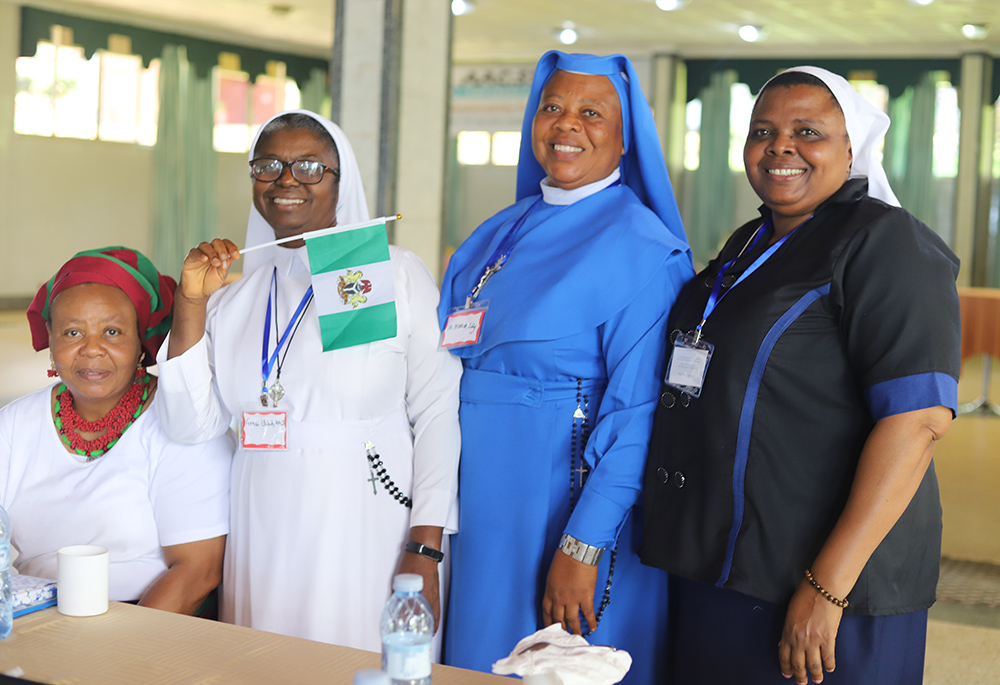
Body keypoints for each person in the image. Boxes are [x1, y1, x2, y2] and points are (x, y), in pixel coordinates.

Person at [641, 66, 960, 685]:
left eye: (807, 130)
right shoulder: (749, 242)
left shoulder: (886, 243)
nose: (780, 145)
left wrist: (827, 589)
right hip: (723, 566)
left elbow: (918, 420)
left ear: (852, 149)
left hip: (826, 587)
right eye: (763, 130)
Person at [155, 110, 462, 651]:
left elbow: (437, 409)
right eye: (269, 165)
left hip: (367, 517)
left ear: (341, 182)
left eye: (310, 166)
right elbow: (189, 424)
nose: (287, 180)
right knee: (264, 656)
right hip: (263, 519)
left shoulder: (388, 275)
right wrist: (191, 301)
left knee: (359, 654)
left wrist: (427, 542)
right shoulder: (233, 299)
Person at [438, 52, 694, 683]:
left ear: (625, 132)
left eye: (590, 112)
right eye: (552, 107)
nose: (566, 125)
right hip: (482, 509)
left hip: (565, 508)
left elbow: (640, 416)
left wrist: (583, 546)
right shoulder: (497, 232)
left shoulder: (644, 250)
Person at [1, 247, 230, 614]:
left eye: (112, 331)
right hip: (35, 620)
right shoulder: (14, 425)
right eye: (73, 332)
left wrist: (119, 659)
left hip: (146, 623)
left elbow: (197, 571)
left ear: (140, 339)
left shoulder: (181, 424)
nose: (92, 350)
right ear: (50, 338)